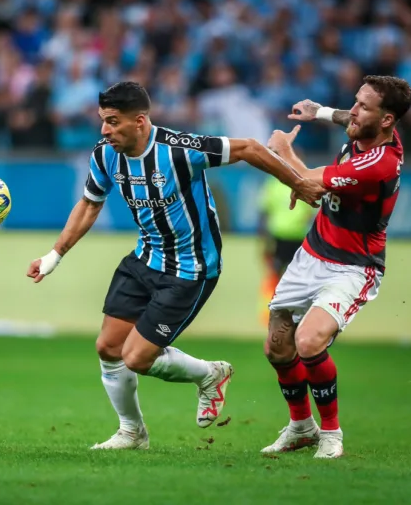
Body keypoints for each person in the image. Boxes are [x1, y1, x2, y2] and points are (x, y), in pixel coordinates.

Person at [26, 81, 324, 450]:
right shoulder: (105, 154)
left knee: (135, 357)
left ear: (140, 121)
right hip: (144, 258)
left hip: (190, 269)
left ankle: (210, 374)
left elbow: (248, 147)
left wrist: (298, 182)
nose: (104, 130)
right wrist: (54, 255)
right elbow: (90, 203)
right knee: (108, 347)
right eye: (103, 120)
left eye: (113, 122)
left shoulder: (180, 149)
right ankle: (131, 433)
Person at [261, 75, 411, 459]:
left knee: (308, 341)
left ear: (387, 120)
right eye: (356, 101)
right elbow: (349, 118)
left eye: (364, 106)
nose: (354, 111)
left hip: (353, 267)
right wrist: (321, 112)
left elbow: (306, 183)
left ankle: (331, 434)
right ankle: (300, 427)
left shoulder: (378, 164)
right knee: (277, 348)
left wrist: (279, 152)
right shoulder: (368, 128)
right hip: (312, 253)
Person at [257, 176, 316, 325]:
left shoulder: (299, 183)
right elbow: (265, 212)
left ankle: (293, 315)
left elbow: (310, 214)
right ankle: (270, 314)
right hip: (279, 237)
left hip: (297, 238)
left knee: (294, 278)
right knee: (276, 275)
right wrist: (264, 240)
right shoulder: (274, 184)